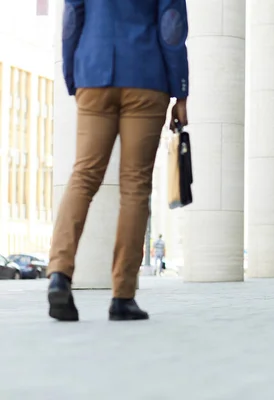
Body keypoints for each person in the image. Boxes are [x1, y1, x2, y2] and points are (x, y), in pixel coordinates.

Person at [46, 0, 189, 322]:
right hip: (146, 75)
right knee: (135, 187)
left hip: (93, 72)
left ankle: (59, 273)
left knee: (83, 176)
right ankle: (123, 297)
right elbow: (171, 27)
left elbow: (71, 20)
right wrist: (181, 91)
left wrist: (73, 73)